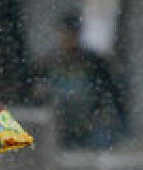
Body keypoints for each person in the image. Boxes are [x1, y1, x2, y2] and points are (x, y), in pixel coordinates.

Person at [31, 9, 127, 150]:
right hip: (59, 128)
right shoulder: (48, 63)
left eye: (72, 34)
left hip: (89, 125)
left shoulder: (93, 62)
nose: (68, 38)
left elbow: (110, 93)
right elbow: (35, 94)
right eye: (65, 33)